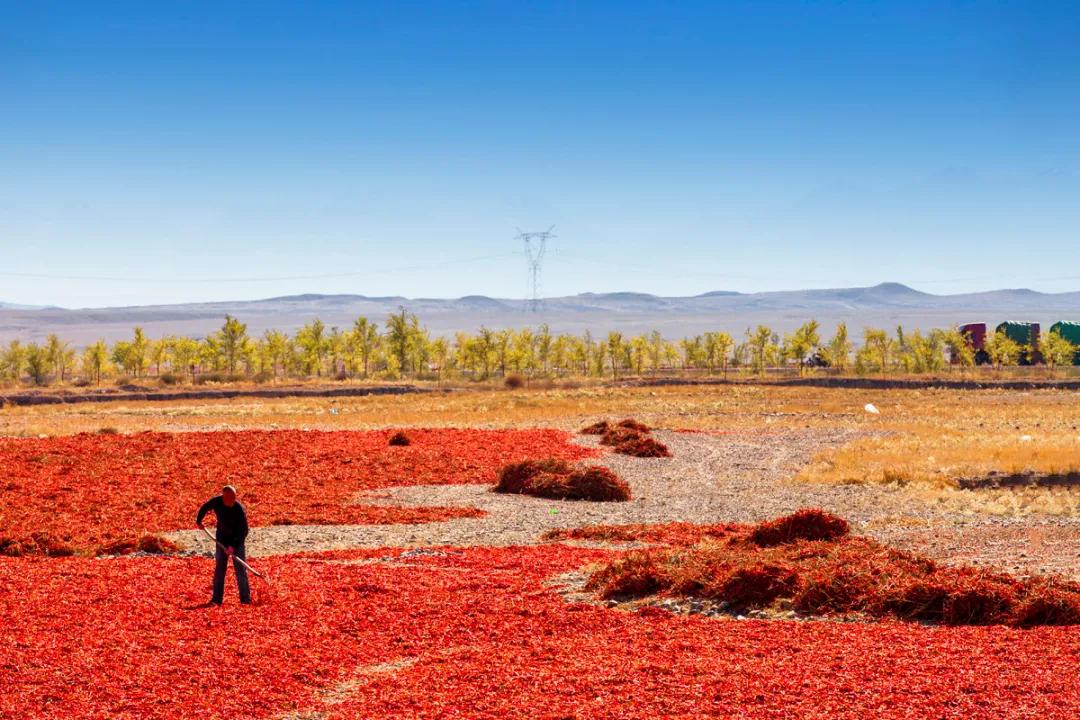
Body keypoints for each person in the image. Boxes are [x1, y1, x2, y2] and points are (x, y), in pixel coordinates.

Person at [196, 485, 251, 605]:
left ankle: (245, 599)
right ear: (223, 497)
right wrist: (199, 521)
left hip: (237, 539)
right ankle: (216, 599)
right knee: (220, 568)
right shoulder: (216, 502)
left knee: (240, 569)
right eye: (229, 499)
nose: (232, 501)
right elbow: (205, 507)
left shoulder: (239, 509)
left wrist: (233, 546)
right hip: (222, 538)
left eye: (234, 498)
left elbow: (243, 531)